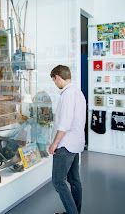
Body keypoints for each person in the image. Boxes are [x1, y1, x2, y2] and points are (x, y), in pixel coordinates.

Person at [49, 65, 86, 214]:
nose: (55, 84)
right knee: (74, 181)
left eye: (54, 81)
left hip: (65, 145)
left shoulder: (68, 94)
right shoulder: (78, 92)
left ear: (58, 77)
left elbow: (65, 123)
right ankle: (75, 211)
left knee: (58, 181)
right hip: (75, 143)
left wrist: (54, 144)